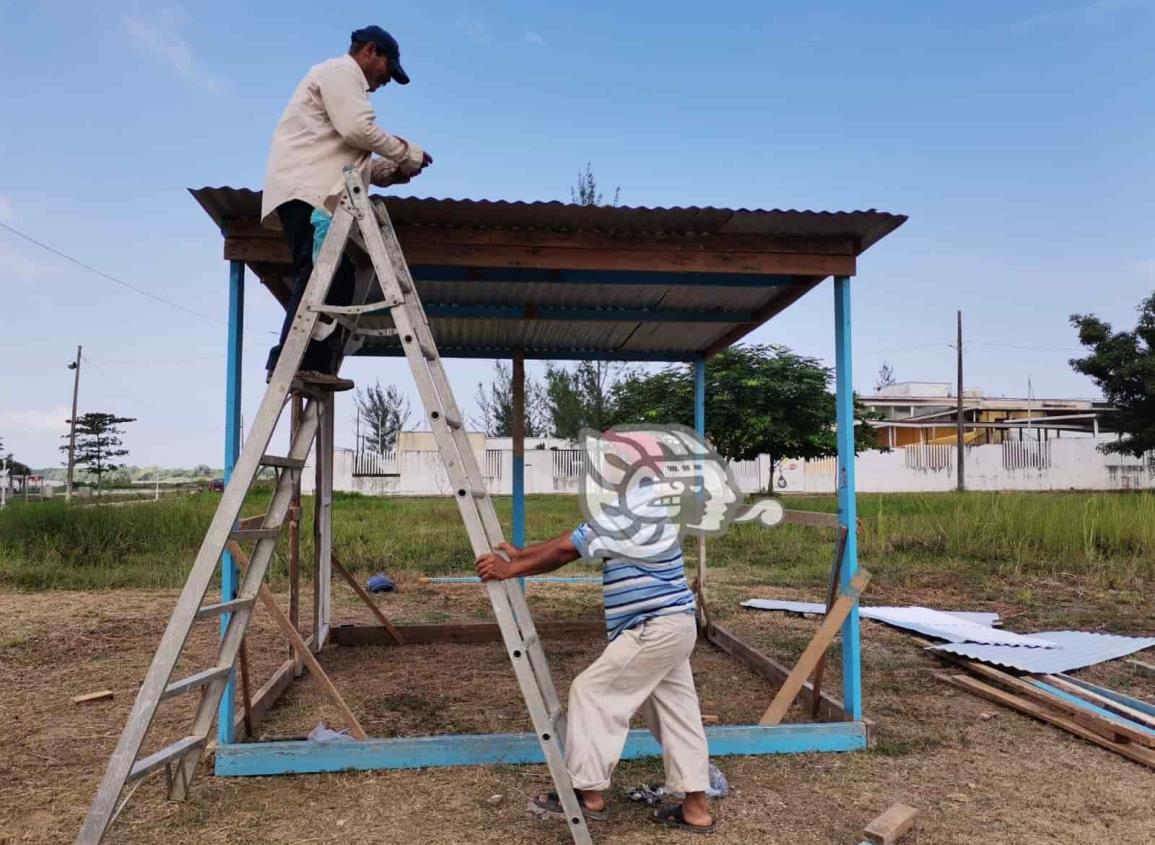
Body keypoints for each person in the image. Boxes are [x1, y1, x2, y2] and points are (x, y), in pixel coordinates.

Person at [474, 511, 717, 834]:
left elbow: (567, 550)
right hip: (676, 622)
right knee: (677, 714)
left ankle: (588, 795)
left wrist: (511, 568)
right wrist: (525, 554)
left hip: (653, 625)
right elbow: (571, 539)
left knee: (592, 692)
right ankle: (695, 809)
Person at [261, 26, 432, 389]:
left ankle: (315, 363)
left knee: (337, 281)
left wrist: (393, 172)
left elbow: (355, 156)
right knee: (316, 275)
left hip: (321, 193)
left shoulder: (345, 88)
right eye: (389, 68)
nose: (386, 80)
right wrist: (407, 152)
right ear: (371, 51)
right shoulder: (340, 73)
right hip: (309, 193)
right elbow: (358, 130)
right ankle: (287, 361)